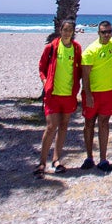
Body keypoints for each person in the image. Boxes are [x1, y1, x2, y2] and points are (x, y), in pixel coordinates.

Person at [37, 20, 81, 175]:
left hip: (68, 95)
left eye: (70, 30)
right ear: (60, 30)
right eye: (65, 29)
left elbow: (79, 69)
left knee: (63, 126)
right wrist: (44, 81)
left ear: (73, 31)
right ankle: (42, 162)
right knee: (51, 127)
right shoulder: (51, 47)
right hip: (53, 95)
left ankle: (56, 159)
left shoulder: (76, 49)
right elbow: (41, 67)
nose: (67, 32)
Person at [80, 20, 112, 171]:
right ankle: (89, 157)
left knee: (104, 124)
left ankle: (103, 159)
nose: (107, 34)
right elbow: (85, 75)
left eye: (109, 31)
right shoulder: (90, 50)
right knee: (89, 124)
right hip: (92, 93)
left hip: (107, 92)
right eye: (104, 32)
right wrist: (88, 94)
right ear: (98, 33)